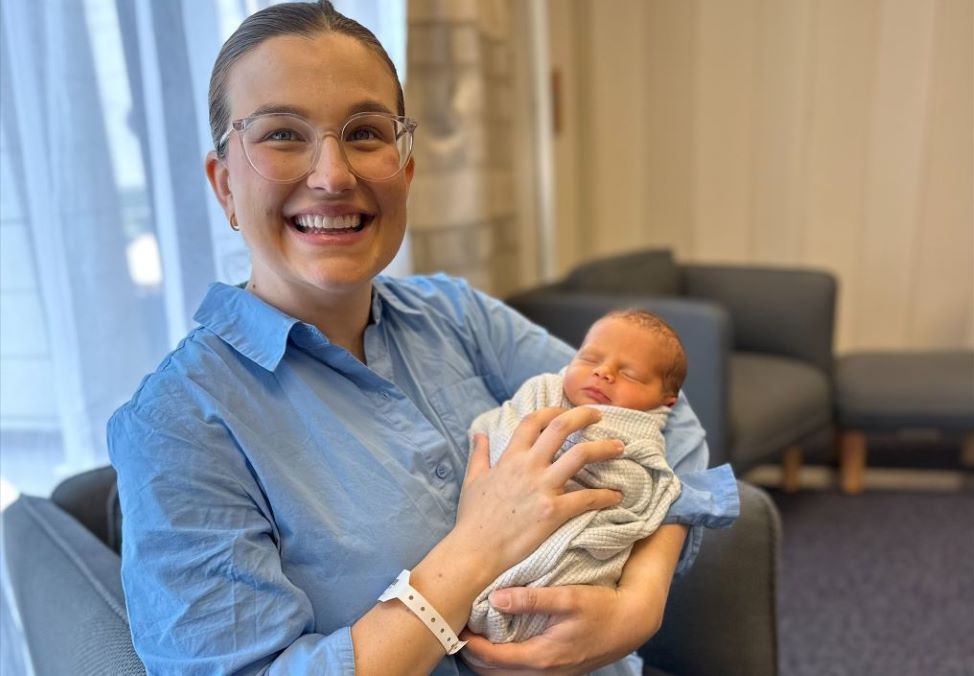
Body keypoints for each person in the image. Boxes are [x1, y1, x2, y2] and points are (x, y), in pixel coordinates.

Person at [106, 2, 739, 675]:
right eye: (283, 135)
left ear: (405, 169)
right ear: (225, 184)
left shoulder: (457, 315)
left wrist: (637, 608)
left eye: (365, 132)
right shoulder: (179, 425)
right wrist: (477, 546)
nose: (333, 175)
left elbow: (661, 416)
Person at [468, 310, 720, 644]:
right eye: (589, 359)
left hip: (580, 546)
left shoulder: (644, 436)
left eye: (630, 374)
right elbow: (501, 435)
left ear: (665, 402)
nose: (603, 372)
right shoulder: (544, 391)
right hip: (494, 531)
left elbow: (640, 490)